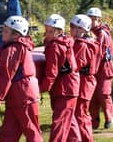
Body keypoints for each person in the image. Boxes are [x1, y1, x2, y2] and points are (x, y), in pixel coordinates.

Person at [0, 16, 43, 142]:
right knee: (8, 135)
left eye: (6, 30)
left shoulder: (12, 49)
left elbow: (5, 77)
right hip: (18, 96)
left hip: (23, 96)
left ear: (16, 35)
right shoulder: (18, 47)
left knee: (31, 131)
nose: (2, 32)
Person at [40, 14, 81, 142]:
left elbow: (51, 73)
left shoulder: (55, 46)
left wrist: (40, 89)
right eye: (46, 31)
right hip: (69, 86)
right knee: (69, 119)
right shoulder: (65, 42)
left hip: (65, 88)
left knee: (60, 121)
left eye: (51, 31)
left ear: (60, 32)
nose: (47, 34)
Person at [70, 14, 99, 142]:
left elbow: (75, 63)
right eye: (72, 27)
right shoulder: (81, 42)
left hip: (85, 82)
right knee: (79, 113)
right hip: (83, 81)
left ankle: (87, 139)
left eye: (76, 28)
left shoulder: (83, 45)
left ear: (84, 30)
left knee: (80, 114)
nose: (73, 30)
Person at [87, 7, 113, 129]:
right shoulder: (87, 31)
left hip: (104, 67)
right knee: (92, 94)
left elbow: (99, 53)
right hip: (93, 66)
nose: (92, 22)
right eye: (90, 19)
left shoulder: (101, 33)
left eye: (94, 19)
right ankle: (94, 120)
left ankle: (110, 116)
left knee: (103, 93)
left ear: (99, 20)